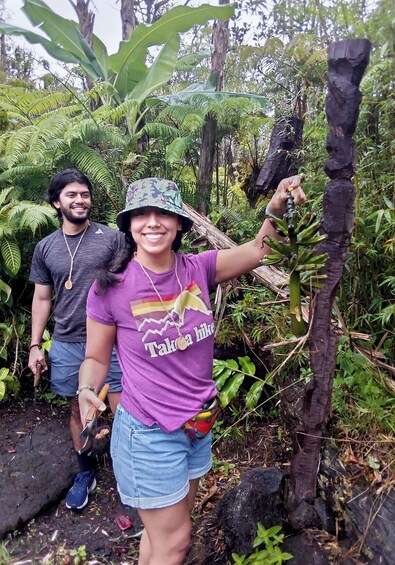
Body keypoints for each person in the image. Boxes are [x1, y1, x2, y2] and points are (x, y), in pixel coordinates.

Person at [77, 175, 305, 564]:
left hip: (198, 424)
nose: (152, 222)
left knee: (164, 533)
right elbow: (97, 358)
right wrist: (86, 389)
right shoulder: (110, 287)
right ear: (129, 225)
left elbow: (258, 249)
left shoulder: (199, 268)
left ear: (180, 223)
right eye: (141, 214)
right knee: (177, 541)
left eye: (163, 213)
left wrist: (276, 208)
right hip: (149, 432)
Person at [27, 168, 124, 511]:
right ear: (56, 202)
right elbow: (42, 299)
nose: (80, 200)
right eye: (71, 195)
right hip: (68, 341)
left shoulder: (112, 238)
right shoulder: (45, 248)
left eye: (84, 194)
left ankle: (132, 473)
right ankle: (85, 472)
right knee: (77, 409)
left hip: (112, 341)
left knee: (123, 408)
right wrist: (36, 344)